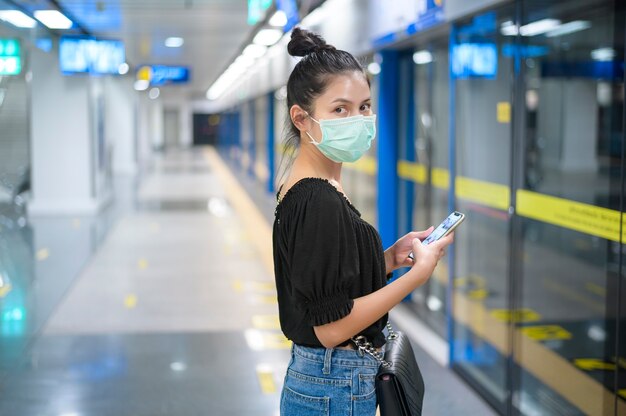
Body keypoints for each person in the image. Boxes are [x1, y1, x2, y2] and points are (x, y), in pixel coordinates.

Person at [272, 27, 454, 416]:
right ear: (301, 118)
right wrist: (416, 277)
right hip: (332, 384)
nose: (358, 119)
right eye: (340, 109)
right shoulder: (316, 198)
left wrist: (388, 259)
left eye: (364, 106)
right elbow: (332, 329)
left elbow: (330, 279)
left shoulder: (321, 186)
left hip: (330, 381)